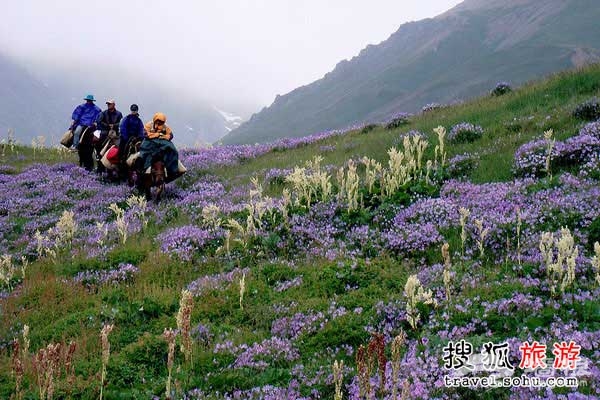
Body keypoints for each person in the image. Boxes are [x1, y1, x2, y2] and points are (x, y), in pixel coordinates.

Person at [136, 112, 182, 185]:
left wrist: (163, 136)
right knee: (143, 151)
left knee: (173, 150)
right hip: (150, 141)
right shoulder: (149, 125)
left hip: (162, 141)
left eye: (161, 122)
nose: (159, 123)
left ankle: (172, 170)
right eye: (158, 121)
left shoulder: (165, 126)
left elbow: (170, 135)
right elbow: (146, 134)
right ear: (155, 120)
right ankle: (140, 169)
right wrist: (156, 135)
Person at [95, 99, 123, 173]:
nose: (108, 105)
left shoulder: (119, 114)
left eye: (110, 104)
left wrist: (114, 126)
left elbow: (121, 123)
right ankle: (99, 154)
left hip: (115, 131)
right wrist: (107, 125)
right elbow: (99, 121)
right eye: (108, 104)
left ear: (114, 105)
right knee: (100, 140)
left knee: (121, 142)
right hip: (105, 131)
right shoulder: (103, 113)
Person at [118, 104, 145, 181]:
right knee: (122, 147)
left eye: (135, 110)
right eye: (133, 110)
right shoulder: (127, 119)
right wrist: (126, 138)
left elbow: (141, 130)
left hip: (136, 138)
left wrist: (139, 137)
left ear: (137, 111)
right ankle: (121, 160)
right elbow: (123, 128)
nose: (134, 112)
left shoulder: (139, 120)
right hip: (127, 137)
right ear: (131, 110)